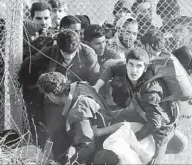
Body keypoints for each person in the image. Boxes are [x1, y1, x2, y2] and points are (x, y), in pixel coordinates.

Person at [17, 30, 99, 160]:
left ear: (78, 45)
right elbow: (27, 65)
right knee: (55, 128)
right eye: (65, 54)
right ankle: (59, 158)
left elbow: (95, 78)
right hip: (56, 98)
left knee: (80, 130)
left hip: (78, 97)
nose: (68, 58)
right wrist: (35, 86)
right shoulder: (49, 52)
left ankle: (79, 158)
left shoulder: (88, 54)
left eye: (71, 54)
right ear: (58, 47)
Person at [109, 47, 179, 165]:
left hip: (162, 128)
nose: (134, 70)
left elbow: (155, 123)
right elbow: (111, 69)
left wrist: (134, 139)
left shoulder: (149, 90)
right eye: (131, 64)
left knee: (154, 162)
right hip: (144, 113)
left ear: (145, 68)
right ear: (125, 64)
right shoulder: (127, 72)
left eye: (138, 66)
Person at [37, 71, 117, 164]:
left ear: (51, 95)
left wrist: (69, 163)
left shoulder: (78, 109)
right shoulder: (81, 85)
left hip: (104, 144)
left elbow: (88, 147)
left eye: (47, 96)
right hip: (108, 125)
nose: (48, 99)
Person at [84, 24, 121, 107]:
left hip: (110, 99)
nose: (102, 46)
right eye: (97, 44)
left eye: (104, 42)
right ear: (87, 43)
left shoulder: (112, 55)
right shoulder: (82, 56)